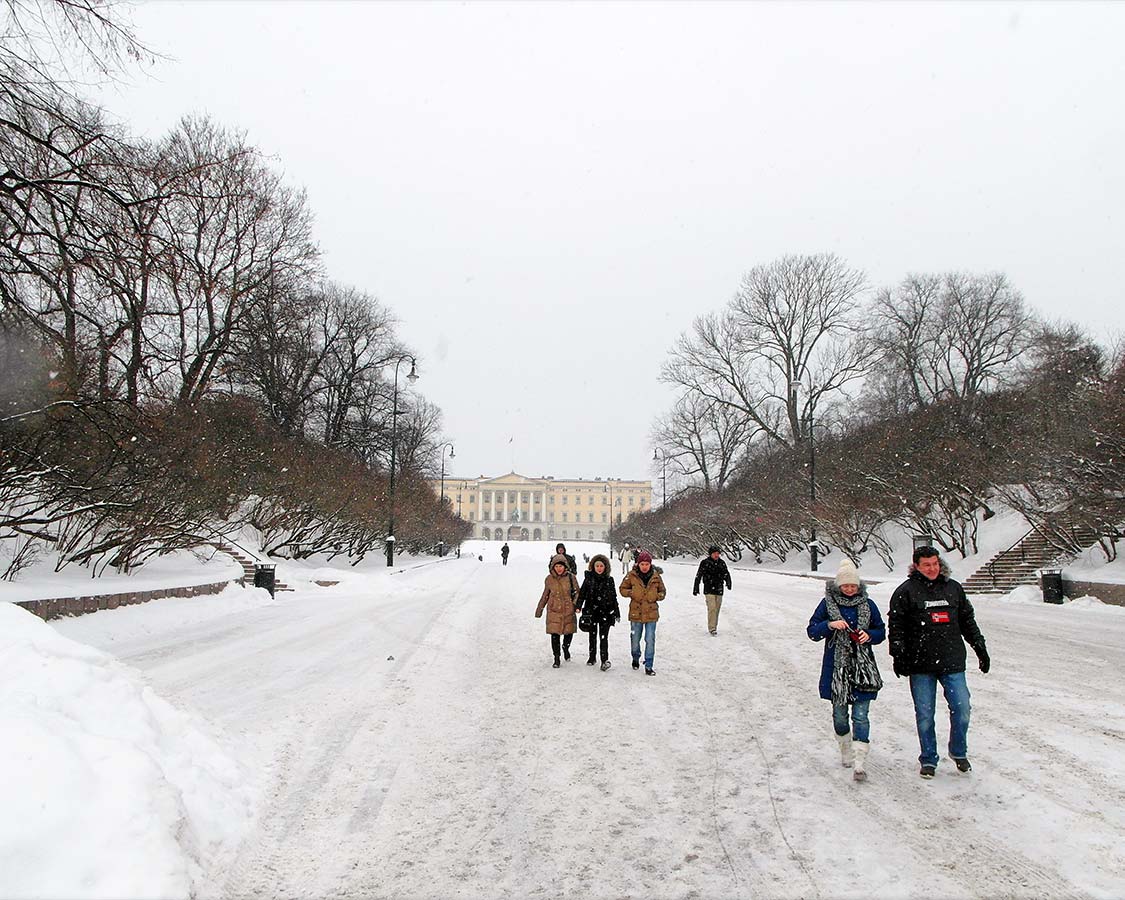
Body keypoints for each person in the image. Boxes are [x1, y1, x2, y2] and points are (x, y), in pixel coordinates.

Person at [889, 545, 990, 779]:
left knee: (962, 708)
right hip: (920, 664)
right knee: (925, 714)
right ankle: (928, 758)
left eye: (935, 563)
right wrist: (898, 655)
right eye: (927, 565)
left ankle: (958, 751)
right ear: (916, 566)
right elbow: (896, 628)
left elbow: (967, 621)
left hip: (952, 660)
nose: (932, 568)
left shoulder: (953, 589)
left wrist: (980, 648)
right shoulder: (905, 592)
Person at [806, 559, 885, 782]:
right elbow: (812, 630)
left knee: (861, 716)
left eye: (853, 585)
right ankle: (845, 747)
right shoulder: (827, 604)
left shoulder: (868, 605)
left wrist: (869, 635)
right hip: (837, 669)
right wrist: (830, 625)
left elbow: (880, 630)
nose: (850, 589)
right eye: (845, 586)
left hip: (863, 669)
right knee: (840, 715)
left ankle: (860, 761)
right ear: (838, 586)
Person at [619, 550, 665, 675]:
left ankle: (649, 664)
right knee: (635, 639)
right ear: (638, 564)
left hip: (651, 614)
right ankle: (635, 656)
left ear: (650, 564)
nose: (644, 566)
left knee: (650, 639)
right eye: (642, 564)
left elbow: (663, 592)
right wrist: (631, 593)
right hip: (636, 613)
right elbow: (622, 588)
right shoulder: (632, 575)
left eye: (647, 564)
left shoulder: (656, 577)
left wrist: (657, 596)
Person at [577, 554, 621, 671]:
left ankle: (604, 660)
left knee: (603, 637)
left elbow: (613, 597)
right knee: (592, 636)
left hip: (605, 612)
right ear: (593, 566)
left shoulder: (609, 580)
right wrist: (578, 606)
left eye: (602, 566)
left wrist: (616, 612)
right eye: (597, 566)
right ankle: (592, 657)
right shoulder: (588, 579)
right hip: (591, 611)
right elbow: (582, 594)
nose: (599, 568)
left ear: (605, 567)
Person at [536, 553, 580, 668]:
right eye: (556, 566)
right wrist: (539, 609)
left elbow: (577, 593)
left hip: (568, 610)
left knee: (568, 633)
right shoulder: (549, 579)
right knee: (554, 635)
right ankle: (556, 657)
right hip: (554, 611)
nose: (559, 569)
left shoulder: (571, 577)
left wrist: (574, 604)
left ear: (565, 566)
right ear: (552, 567)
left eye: (560, 566)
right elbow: (545, 595)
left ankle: (566, 647)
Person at [692, 545, 732, 635]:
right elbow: (699, 575)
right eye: (715, 553)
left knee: (717, 609)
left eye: (718, 553)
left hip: (719, 589)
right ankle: (712, 628)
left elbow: (726, 573)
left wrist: (728, 582)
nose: (716, 555)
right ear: (710, 554)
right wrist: (696, 587)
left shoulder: (722, 563)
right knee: (712, 608)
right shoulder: (705, 562)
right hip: (709, 589)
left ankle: (714, 626)